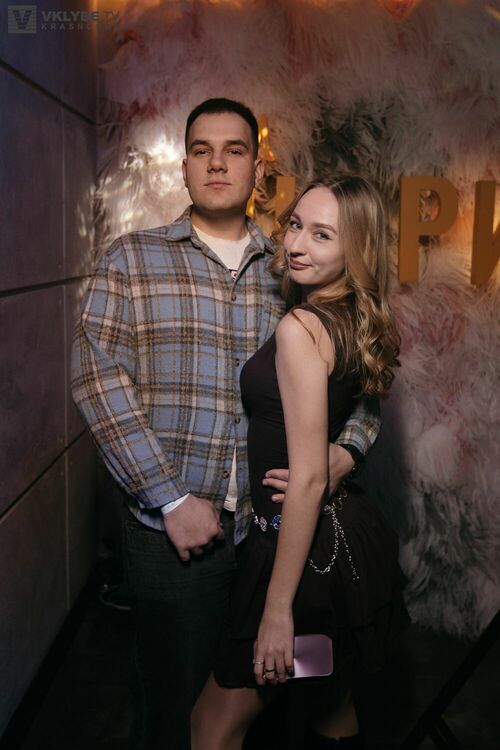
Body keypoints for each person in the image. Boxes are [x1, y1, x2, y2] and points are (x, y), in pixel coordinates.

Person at [71, 99, 381, 750]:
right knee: (181, 706)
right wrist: (169, 498)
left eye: (234, 150)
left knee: (296, 681)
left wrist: (345, 453)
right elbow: (97, 382)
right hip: (177, 537)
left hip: (279, 539)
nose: (217, 163)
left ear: (258, 170)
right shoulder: (131, 260)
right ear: (184, 167)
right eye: (201, 150)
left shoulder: (289, 266)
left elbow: (358, 378)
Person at [191, 177, 409, 750]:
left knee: (212, 724)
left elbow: (308, 477)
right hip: (341, 548)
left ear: (356, 249)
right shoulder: (347, 315)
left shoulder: (300, 328)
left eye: (322, 234)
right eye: (295, 225)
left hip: (297, 560)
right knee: (329, 704)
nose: (296, 244)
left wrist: (276, 609)